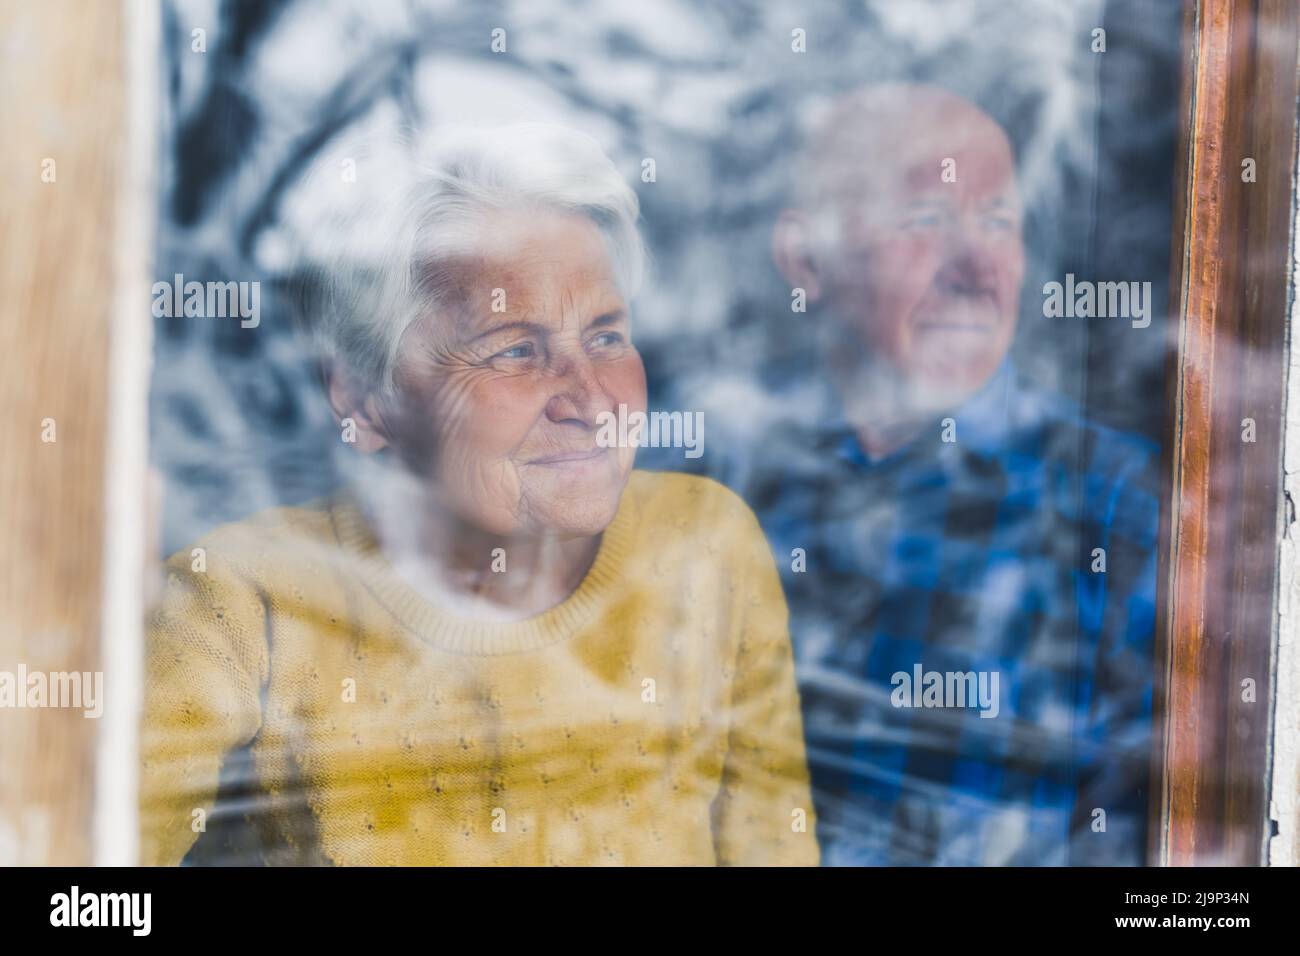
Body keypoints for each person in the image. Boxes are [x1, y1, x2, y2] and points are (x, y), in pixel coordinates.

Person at [138, 123, 817, 866]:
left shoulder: (704, 545)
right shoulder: (242, 596)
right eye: (517, 350)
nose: (592, 401)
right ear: (366, 399)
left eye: (607, 337)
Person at [758, 84, 1160, 865]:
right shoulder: (729, 467)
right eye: (927, 220)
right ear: (806, 259)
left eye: (999, 222)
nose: (978, 266)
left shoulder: (1112, 508)